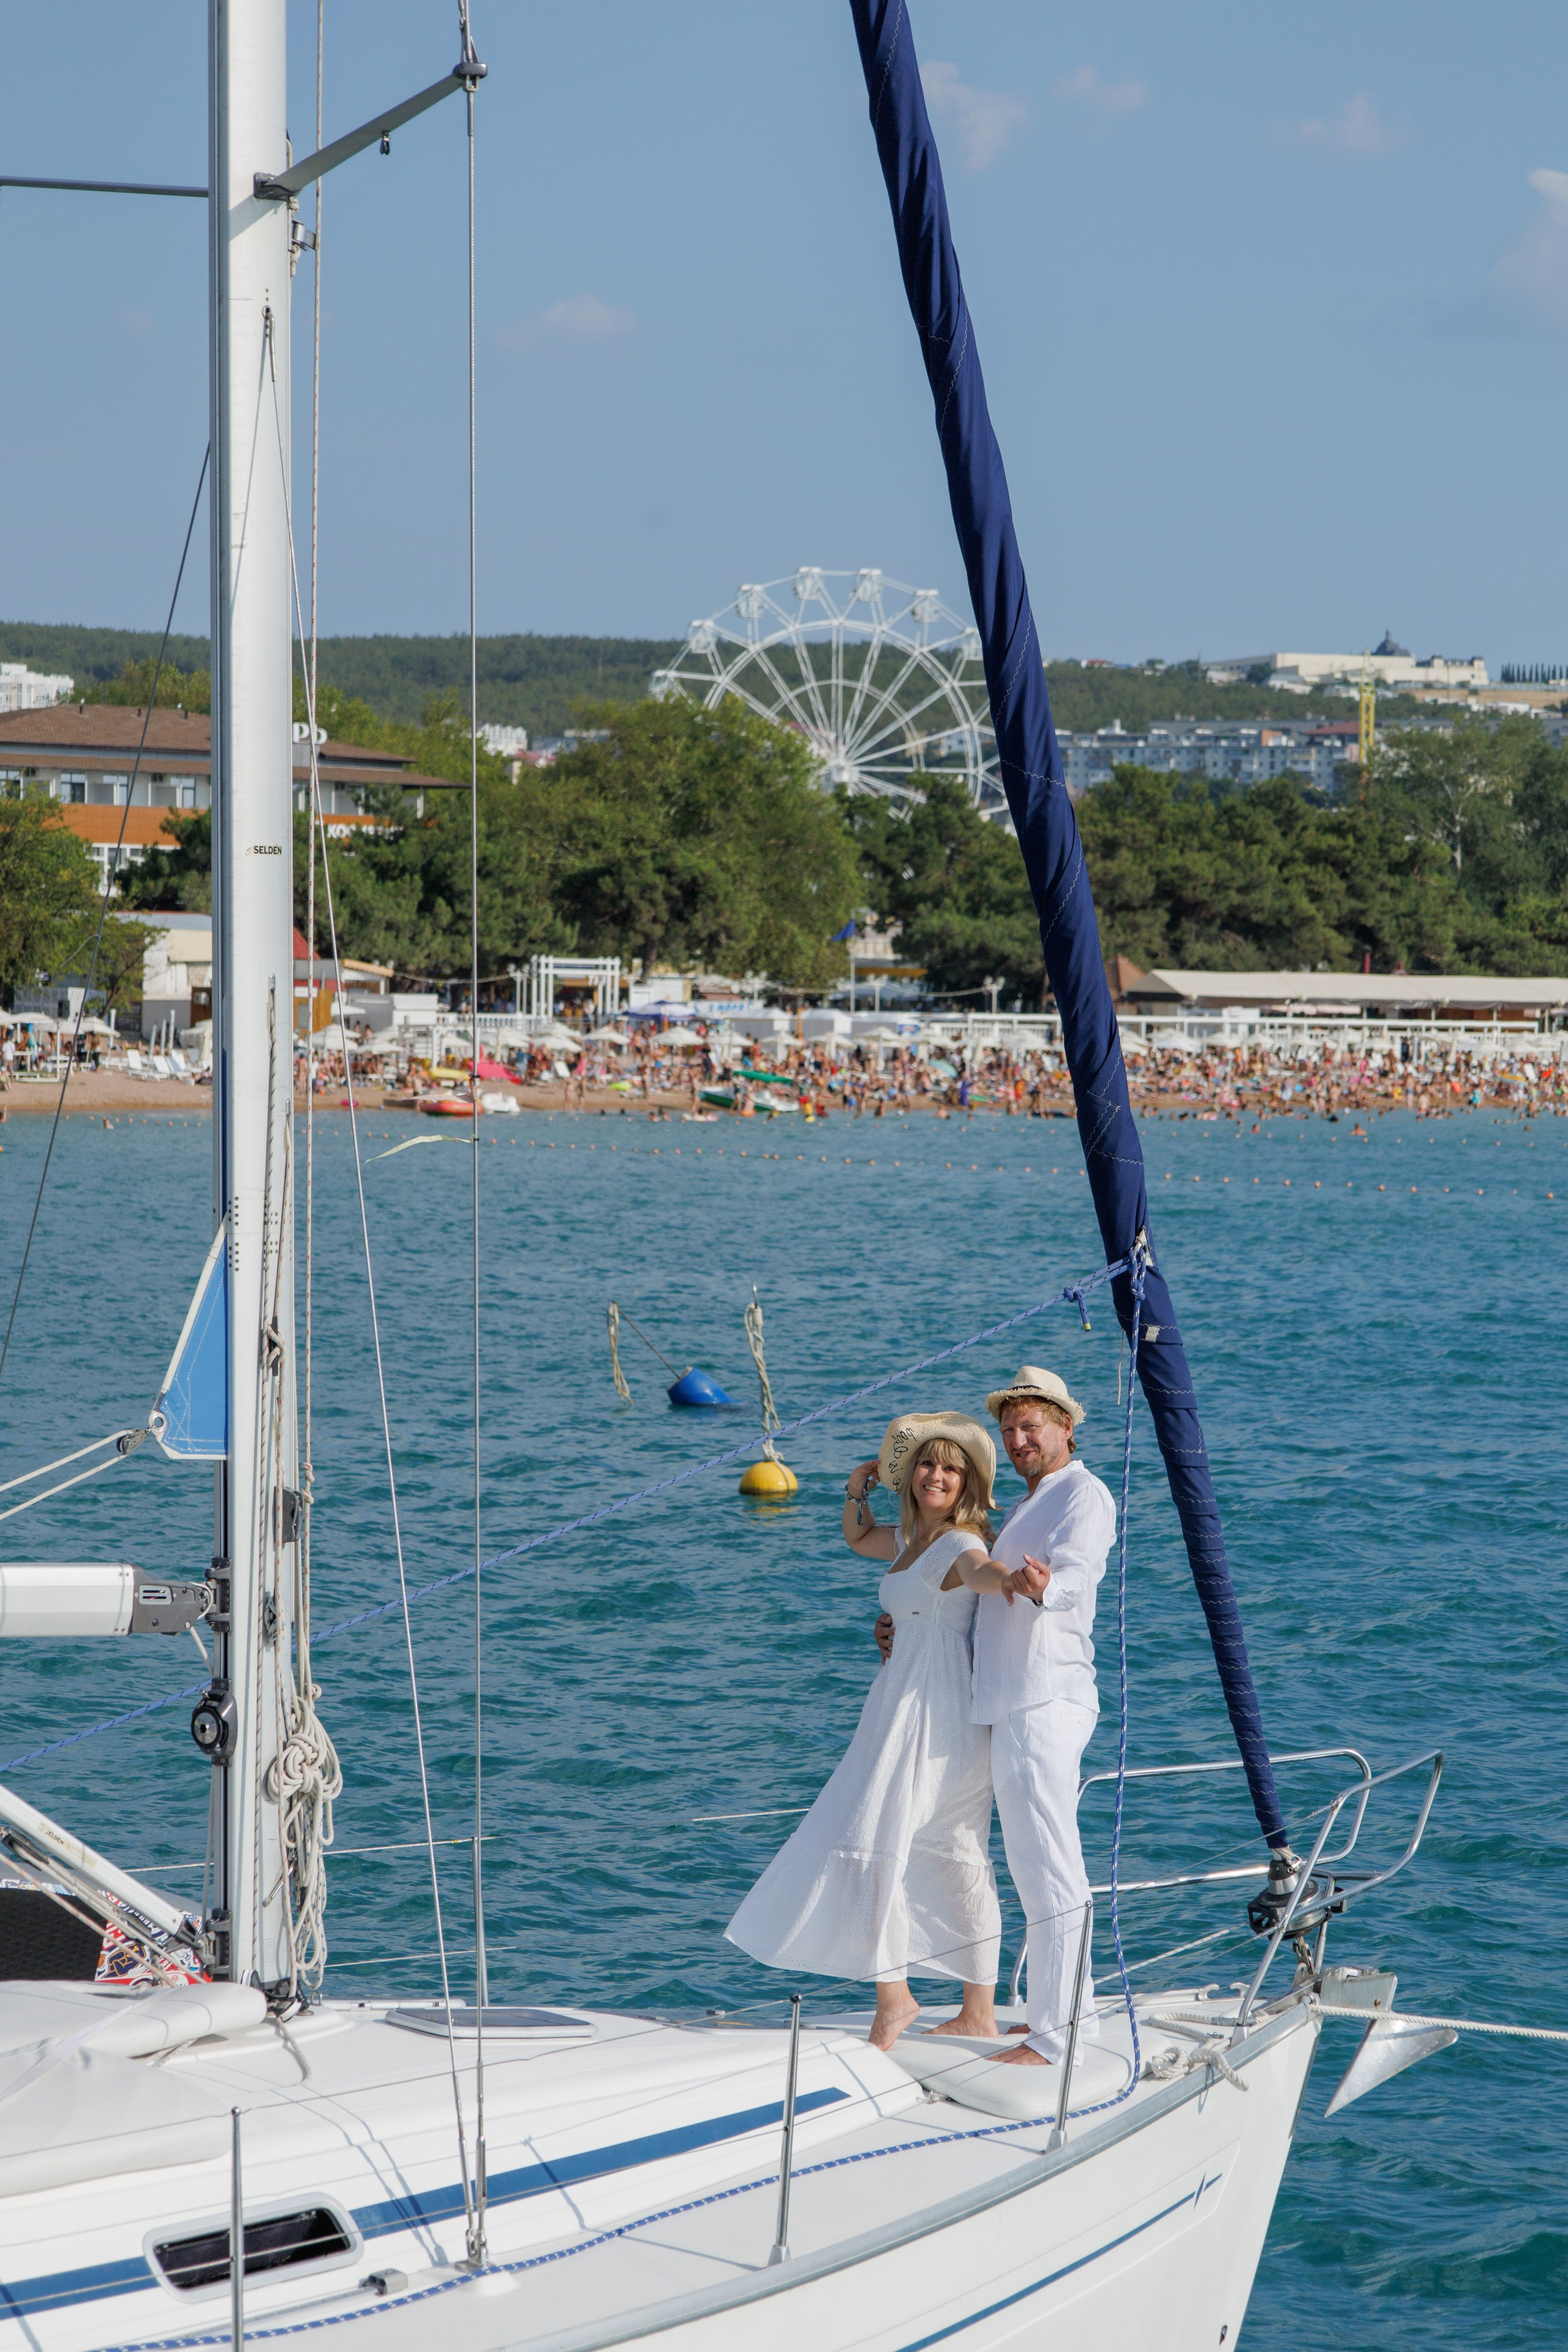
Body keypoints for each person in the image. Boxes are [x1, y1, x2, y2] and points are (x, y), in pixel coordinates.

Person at [726, 1413, 1045, 2051]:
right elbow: (857, 1537)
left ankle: (900, 1999)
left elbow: (982, 1571)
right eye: (928, 1464)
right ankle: (965, 2009)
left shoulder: (959, 1544)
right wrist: (855, 1487)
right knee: (945, 1850)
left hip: (937, 1712)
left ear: (966, 1486)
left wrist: (1012, 1583)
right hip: (898, 1702)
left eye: (951, 1470)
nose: (937, 1476)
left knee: (894, 1841)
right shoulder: (908, 1540)